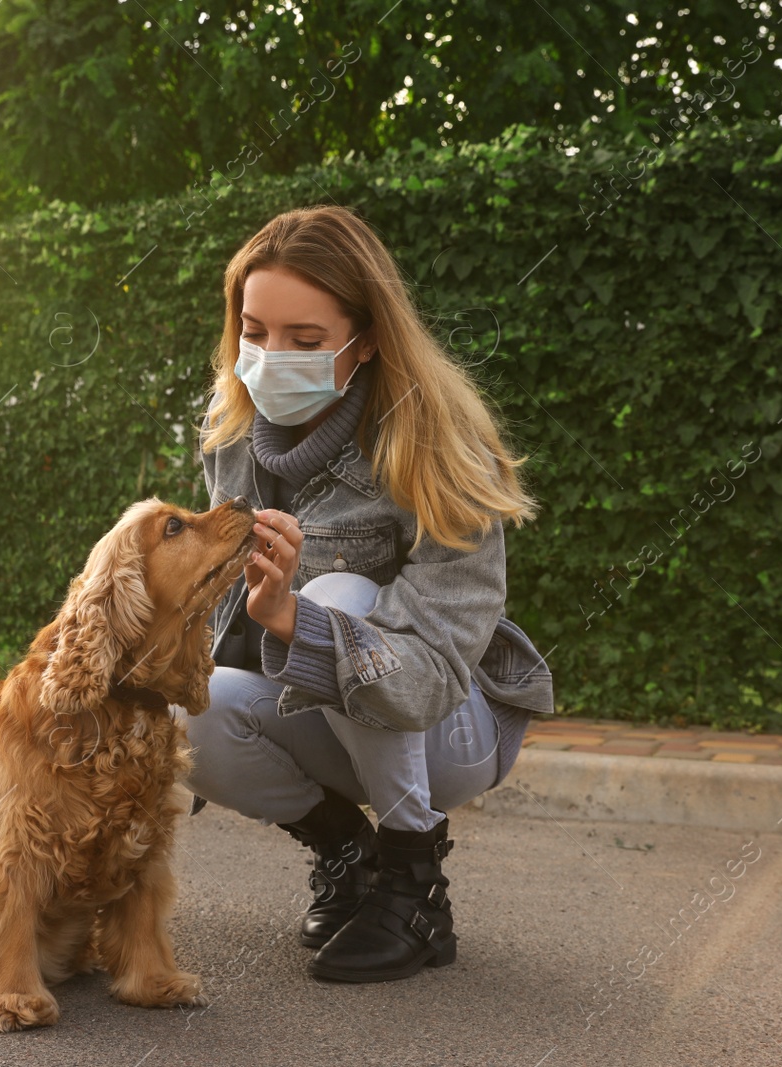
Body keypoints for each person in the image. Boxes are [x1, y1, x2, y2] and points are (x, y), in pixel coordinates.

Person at [173, 204, 555, 984]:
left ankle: (415, 884)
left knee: (342, 597)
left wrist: (294, 617)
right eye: (254, 332)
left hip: (449, 726)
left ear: (369, 338)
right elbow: (211, 617)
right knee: (181, 709)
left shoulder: (438, 445)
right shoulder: (229, 434)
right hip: (320, 713)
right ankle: (348, 852)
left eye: (305, 341)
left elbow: (435, 666)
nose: (270, 355)